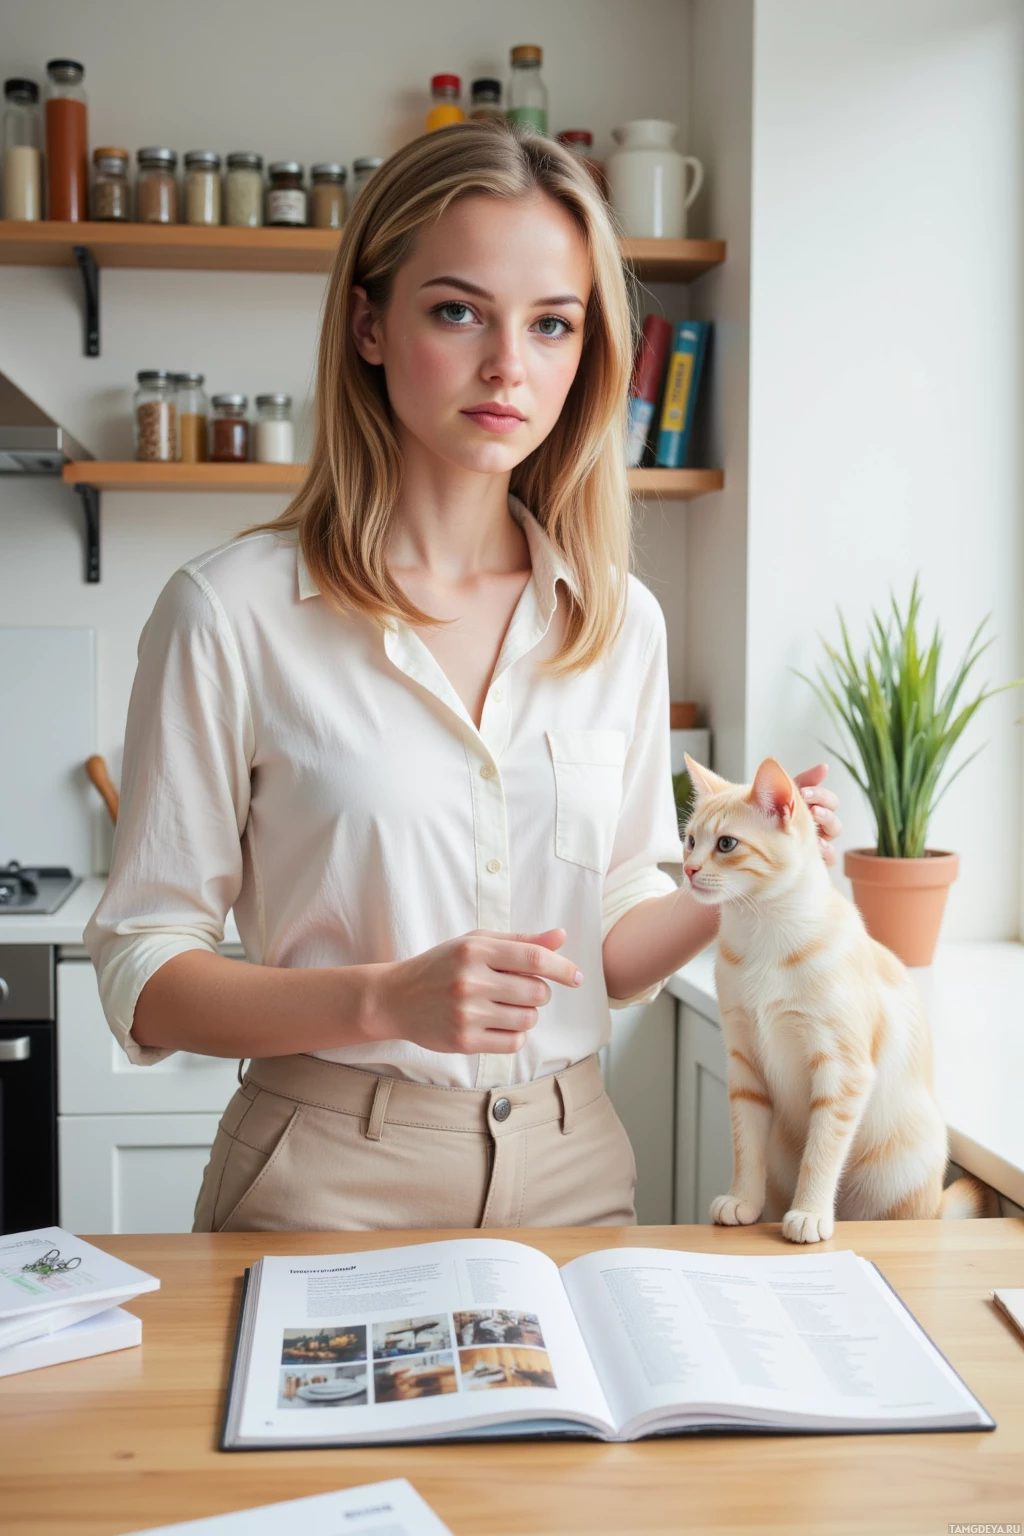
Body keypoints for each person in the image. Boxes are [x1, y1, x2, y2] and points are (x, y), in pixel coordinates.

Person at [84, 123, 840, 1233]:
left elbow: (613, 935)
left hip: (576, 1165)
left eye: (550, 325)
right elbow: (142, 967)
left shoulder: (617, 620)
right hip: (325, 1172)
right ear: (369, 325)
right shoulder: (230, 613)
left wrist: (764, 871)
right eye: (457, 311)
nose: (507, 367)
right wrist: (381, 997)